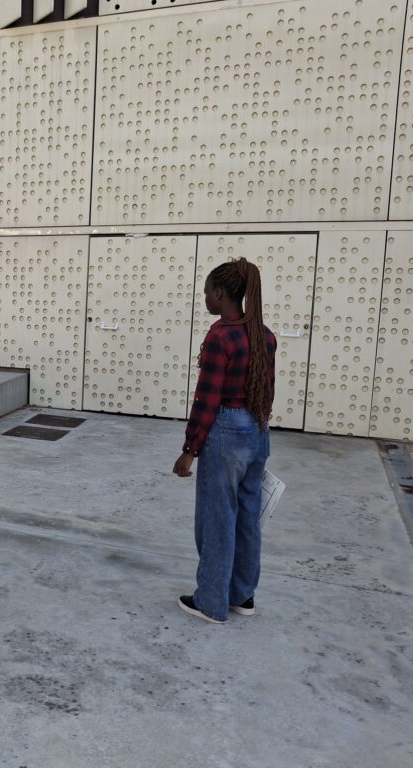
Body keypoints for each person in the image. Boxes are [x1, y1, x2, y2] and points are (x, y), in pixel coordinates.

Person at [173, 258, 277, 624]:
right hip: (258, 428)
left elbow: (208, 397)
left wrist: (190, 450)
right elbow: (267, 389)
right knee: (248, 515)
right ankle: (242, 595)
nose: (204, 298)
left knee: (217, 518)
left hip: (227, 431)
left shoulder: (221, 336)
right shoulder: (264, 334)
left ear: (219, 293)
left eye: (206, 292)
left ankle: (211, 602)